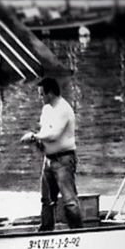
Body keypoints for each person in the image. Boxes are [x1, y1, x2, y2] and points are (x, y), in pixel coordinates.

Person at [21, 76, 83, 232]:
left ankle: (78, 231)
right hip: (48, 160)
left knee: (69, 200)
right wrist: (38, 142)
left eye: (41, 94)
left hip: (64, 159)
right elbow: (45, 131)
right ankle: (46, 230)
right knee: (47, 199)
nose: (40, 97)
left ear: (50, 93)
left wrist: (34, 136)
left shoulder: (63, 108)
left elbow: (54, 134)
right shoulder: (46, 109)